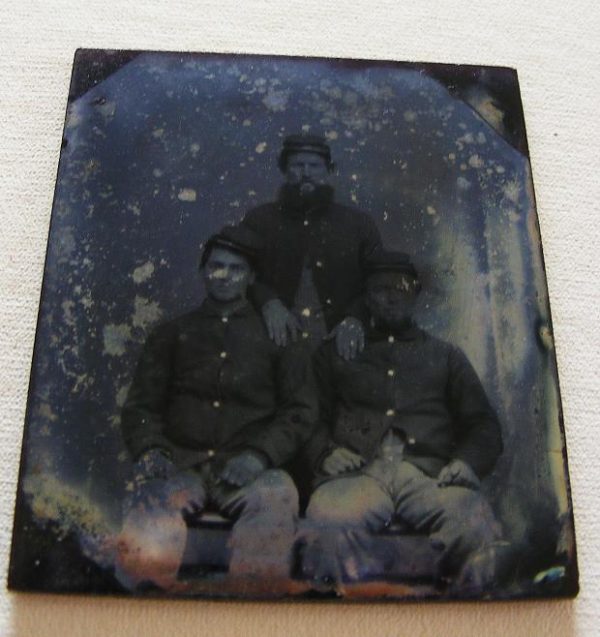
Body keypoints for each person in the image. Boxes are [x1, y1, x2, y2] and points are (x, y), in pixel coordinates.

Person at [116, 225, 317, 590]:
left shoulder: (279, 337)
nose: (223, 276)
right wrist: (151, 450)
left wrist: (259, 456)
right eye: (215, 267)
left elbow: (300, 411)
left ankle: (252, 609)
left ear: (252, 277)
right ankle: (140, 609)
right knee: (150, 502)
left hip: (249, 470)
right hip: (181, 464)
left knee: (277, 495)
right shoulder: (171, 334)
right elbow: (140, 407)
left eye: (236, 269)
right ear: (203, 272)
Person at [301, 248, 506, 593]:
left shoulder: (445, 355)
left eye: (401, 288)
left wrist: (467, 462)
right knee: (329, 520)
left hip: (428, 476)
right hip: (357, 475)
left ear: (415, 294)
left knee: (474, 521)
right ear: (366, 297)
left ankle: (455, 612)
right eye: (381, 290)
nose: (392, 298)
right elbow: (305, 416)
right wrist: (324, 452)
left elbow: (483, 424)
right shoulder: (336, 352)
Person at [240, 133, 381, 359]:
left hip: (342, 342)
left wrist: (356, 317)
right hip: (272, 338)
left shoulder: (358, 224)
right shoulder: (259, 220)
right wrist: (267, 302)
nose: (306, 172)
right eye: (297, 165)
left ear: (329, 169)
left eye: (314, 165)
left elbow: (379, 280)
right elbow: (237, 271)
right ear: (284, 170)